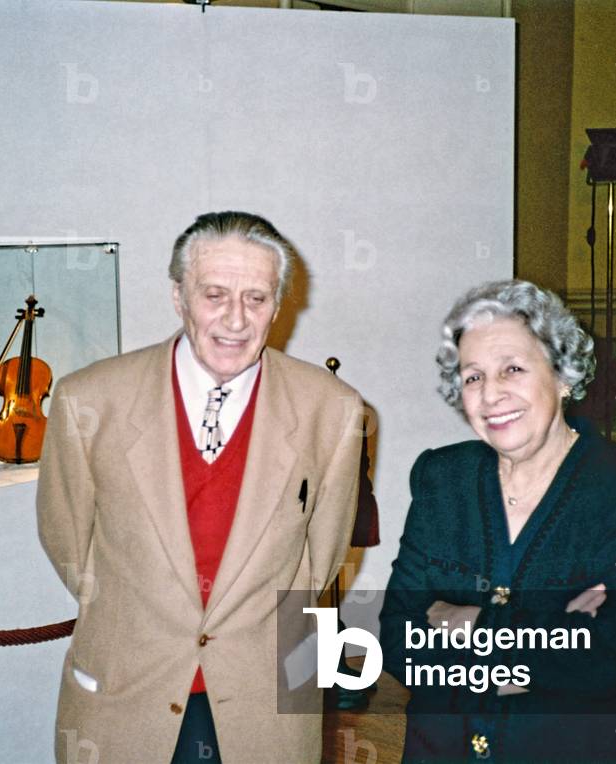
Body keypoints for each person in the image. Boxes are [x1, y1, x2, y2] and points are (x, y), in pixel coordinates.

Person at [37, 211, 363, 763]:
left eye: (256, 299)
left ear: (278, 306)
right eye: (214, 294)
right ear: (178, 296)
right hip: (126, 694)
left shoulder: (331, 409)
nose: (235, 319)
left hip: (265, 699)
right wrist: (147, 614)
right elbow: (67, 541)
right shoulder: (88, 400)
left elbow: (319, 562)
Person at [379, 279, 616, 762]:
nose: (491, 394)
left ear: (563, 375)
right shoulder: (441, 477)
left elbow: (601, 661)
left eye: (512, 369)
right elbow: (396, 638)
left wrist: (468, 621)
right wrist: (549, 631)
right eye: (473, 377)